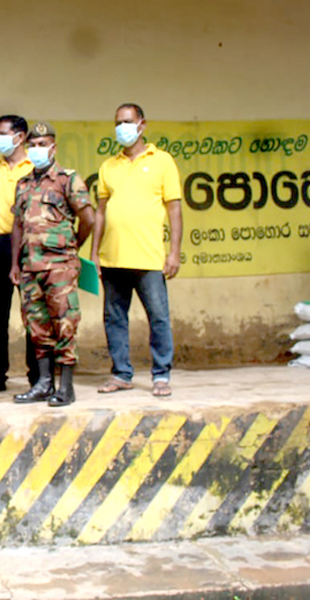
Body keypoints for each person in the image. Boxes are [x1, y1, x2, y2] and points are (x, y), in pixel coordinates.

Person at [90, 103, 183, 397]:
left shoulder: (162, 161)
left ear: (142, 124)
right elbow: (101, 212)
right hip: (112, 257)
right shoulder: (108, 166)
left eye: (127, 122)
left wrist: (174, 252)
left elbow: (175, 209)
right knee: (114, 318)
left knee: (158, 317)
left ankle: (161, 375)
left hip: (149, 258)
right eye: (118, 122)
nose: (122, 128)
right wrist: (94, 252)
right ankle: (121, 374)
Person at [10, 122, 95, 407]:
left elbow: (89, 220)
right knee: (37, 327)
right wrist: (15, 264)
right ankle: (44, 384)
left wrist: (71, 247)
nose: (37, 150)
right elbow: (18, 227)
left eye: (42, 144)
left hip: (60, 266)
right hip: (29, 268)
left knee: (65, 324)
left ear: (53, 147)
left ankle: (66, 388)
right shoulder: (23, 184)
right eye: (32, 145)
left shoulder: (68, 180)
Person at [0, 115, 37, 392]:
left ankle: (36, 374)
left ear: (20, 137)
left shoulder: (35, 167)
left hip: (29, 246)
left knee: (32, 312)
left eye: (3, 134)